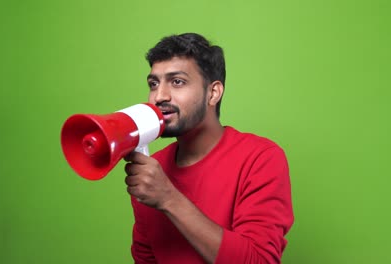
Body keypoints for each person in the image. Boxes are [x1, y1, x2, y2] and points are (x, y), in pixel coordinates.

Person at [124, 33, 294, 264]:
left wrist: (168, 198)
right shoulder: (152, 170)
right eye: (154, 84)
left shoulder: (261, 158)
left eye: (177, 82)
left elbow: (259, 260)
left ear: (213, 93)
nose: (159, 96)